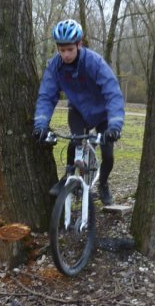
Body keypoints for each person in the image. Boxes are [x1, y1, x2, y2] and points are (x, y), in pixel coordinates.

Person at [32, 19, 124, 206]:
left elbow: (113, 93)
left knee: (108, 154)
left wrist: (114, 126)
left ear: (79, 45)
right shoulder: (55, 66)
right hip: (78, 111)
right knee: (76, 141)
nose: (65, 55)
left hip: (103, 114)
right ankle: (68, 177)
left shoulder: (94, 62)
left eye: (70, 50)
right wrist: (40, 125)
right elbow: (46, 96)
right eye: (61, 50)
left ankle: (103, 184)